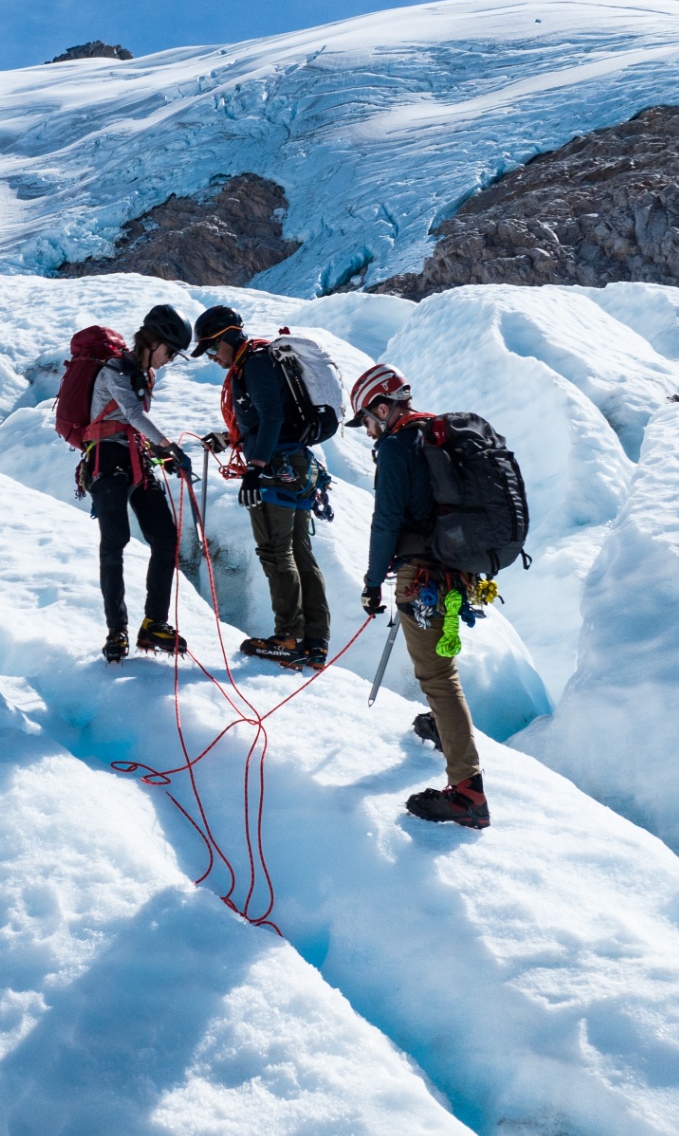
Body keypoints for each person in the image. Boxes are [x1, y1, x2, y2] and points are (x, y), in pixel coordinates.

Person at [350, 363, 489, 829]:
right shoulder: (437, 436)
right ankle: (440, 725)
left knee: (437, 676)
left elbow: (386, 520)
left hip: (421, 578)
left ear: (383, 407)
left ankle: (468, 793)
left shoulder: (396, 446)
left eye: (368, 420)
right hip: (456, 576)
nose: (369, 432)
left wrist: (372, 582)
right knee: (444, 663)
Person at [191, 305, 330, 669]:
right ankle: (315, 642)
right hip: (294, 464)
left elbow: (272, 415)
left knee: (274, 550)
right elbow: (266, 419)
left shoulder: (253, 363)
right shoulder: (258, 362)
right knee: (299, 552)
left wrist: (255, 467)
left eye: (210, 348)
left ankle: (289, 637)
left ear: (226, 337)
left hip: (275, 467)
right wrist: (228, 439)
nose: (212, 358)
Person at [87, 304, 195, 663]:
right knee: (114, 543)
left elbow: (133, 425)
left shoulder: (142, 375)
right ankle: (116, 631)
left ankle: (154, 624)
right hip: (106, 461)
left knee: (165, 538)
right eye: (170, 352)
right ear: (152, 341)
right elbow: (131, 415)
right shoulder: (114, 370)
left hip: (134, 460)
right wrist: (169, 447)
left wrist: (164, 457)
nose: (170, 360)